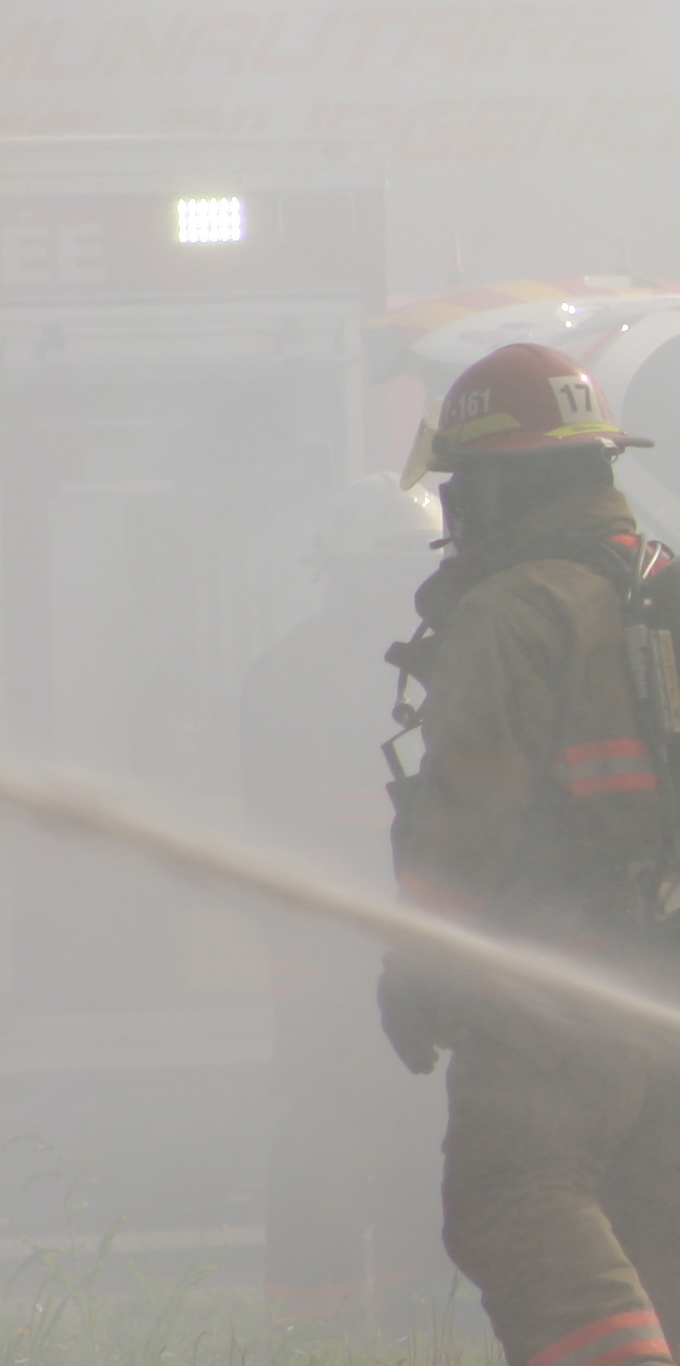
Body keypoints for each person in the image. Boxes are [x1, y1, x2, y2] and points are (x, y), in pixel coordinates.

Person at [380, 341, 680, 1366]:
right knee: (655, 1221)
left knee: (513, 1192)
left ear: (497, 484)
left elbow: (466, 813)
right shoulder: (678, 589)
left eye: (461, 484)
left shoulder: (515, 609)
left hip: (570, 987)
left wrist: (420, 964)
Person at [243, 475, 451, 1323]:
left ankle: (415, 1327)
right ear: (341, 571)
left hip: (420, 952)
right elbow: (285, 838)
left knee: (415, 1144)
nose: (404, 585)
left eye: (414, 562)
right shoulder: (294, 676)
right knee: (325, 1151)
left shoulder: (444, 666)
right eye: (388, 565)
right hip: (332, 963)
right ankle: (312, 1332)